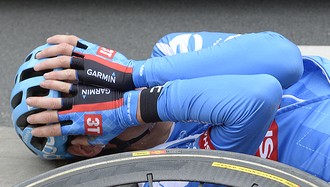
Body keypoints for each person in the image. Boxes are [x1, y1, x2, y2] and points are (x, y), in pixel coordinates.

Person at [12, 31, 329, 183]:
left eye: (92, 70)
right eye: (87, 94)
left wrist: (135, 72)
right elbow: (257, 97)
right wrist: (132, 107)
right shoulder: (168, 177)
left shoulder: (169, 50)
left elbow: (284, 58)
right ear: (87, 147)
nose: (109, 85)